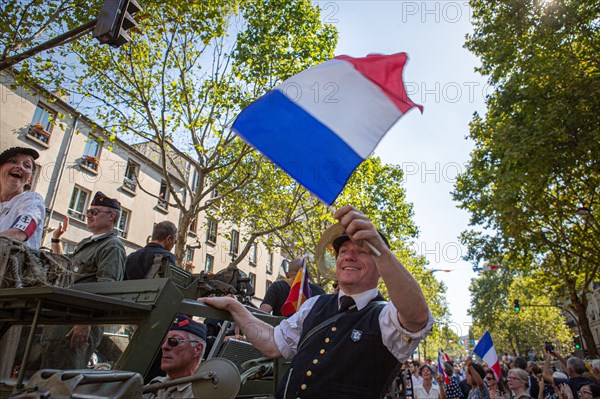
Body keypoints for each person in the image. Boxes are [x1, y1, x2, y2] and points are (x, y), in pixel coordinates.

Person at [201, 205, 434, 398]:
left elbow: (416, 316)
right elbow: (273, 342)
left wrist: (380, 248)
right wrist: (235, 307)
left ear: (380, 265)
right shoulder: (315, 304)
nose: (349, 256)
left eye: (362, 251)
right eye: (343, 250)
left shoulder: (386, 316)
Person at [40, 191, 126, 369]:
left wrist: (85, 321)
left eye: (94, 212)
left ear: (111, 216)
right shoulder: (87, 243)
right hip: (62, 319)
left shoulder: (112, 246)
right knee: (47, 377)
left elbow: (107, 288)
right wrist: (56, 239)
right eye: (88, 211)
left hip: (78, 324)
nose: (88, 215)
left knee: (63, 379)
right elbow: (66, 269)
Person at [144, 314, 207, 399]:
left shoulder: (204, 392)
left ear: (197, 349)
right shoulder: (155, 385)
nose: (164, 347)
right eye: (164, 341)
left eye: (174, 341)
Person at [0, 147, 45, 249]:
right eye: (12, 161)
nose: (19, 167)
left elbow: (18, 234)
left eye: (27, 165)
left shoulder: (32, 200)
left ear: (30, 179)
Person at [260, 258, 326, 316]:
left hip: (281, 328)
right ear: (308, 275)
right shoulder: (320, 292)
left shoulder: (277, 287)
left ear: (287, 275)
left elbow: (263, 313)